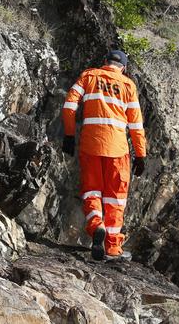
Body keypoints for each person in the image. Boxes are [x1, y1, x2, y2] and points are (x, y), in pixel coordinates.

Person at [62, 50, 147, 261]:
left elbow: (69, 106)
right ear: (123, 68)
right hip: (118, 150)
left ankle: (96, 226)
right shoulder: (128, 86)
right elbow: (136, 125)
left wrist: (69, 135)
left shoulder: (89, 76)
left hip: (91, 146)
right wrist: (141, 154)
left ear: (104, 62)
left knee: (92, 192)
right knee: (115, 199)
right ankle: (112, 247)